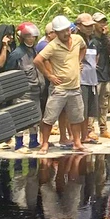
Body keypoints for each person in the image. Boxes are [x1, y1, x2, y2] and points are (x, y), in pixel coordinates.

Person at [34, 15, 87, 154]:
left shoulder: (77, 39)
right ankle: (44, 144)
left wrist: (79, 61)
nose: (66, 33)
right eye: (62, 31)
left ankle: (77, 142)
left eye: (67, 30)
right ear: (56, 33)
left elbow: (83, 48)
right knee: (49, 118)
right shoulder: (52, 46)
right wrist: (49, 75)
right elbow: (38, 60)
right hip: (59, 88)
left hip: (75, 87)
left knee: (76, 118)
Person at [4, 22, 44, 151]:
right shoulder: (17, 54)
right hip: (23, 92)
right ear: (21, 37)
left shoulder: (35, 50)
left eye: (33, 37)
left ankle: (33, 141)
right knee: (21, 116)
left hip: (36, 90)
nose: (31, 39)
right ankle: (19, 143)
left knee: (35, 116)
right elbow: (9, 73)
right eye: (28, 36)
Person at [89, 13, 110, 139]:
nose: (103, 25)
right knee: (92, 104)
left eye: (104, 22)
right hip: (94, 76)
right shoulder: (89, 39)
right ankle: (90, 129)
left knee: (104, 104)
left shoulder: (107, 39)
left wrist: (105, 36)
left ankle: (103, 128)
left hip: (106, 75)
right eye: (100, 22)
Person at [75, 13, 100, 144]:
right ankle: (77, 137)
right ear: (79, 26)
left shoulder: (94, 41)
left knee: (89, 111)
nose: (90, 28)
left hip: (92, 79)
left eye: (91, 26)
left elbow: (96, 59)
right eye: (87, 26)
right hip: (81, 80)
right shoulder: (75, 40)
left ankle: (85, 136)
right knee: (80, 111)